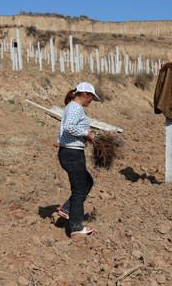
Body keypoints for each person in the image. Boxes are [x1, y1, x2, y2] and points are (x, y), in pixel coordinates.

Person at [56, 82, 101, 236]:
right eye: (91, 98)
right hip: (72, 153)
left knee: (87, 182)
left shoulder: (72, 107)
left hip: (71, 152)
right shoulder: (75, 107)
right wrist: (86, 134)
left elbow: (70, 129)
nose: (91, 101)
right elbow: (69, 127)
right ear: (85, 95)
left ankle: (67, 209)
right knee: (80, 189)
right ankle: (75, 227)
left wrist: (86, 136)